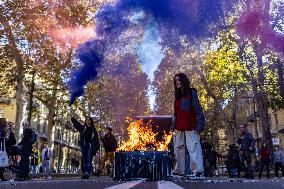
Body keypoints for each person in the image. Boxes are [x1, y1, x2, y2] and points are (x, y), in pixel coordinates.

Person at [172, 73, 206, 179]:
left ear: (183, 80)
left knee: (194, 148)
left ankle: (198, 171)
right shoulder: (177, 96)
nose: (177, 82)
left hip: (191, 126)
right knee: (178, 148)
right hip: (178, 127)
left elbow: (198, 109)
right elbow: (176, 114)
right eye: (175, 81)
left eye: (178, 80)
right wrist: (172, 127)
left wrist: (200, 125)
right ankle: (179, 171)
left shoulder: (192, 93)